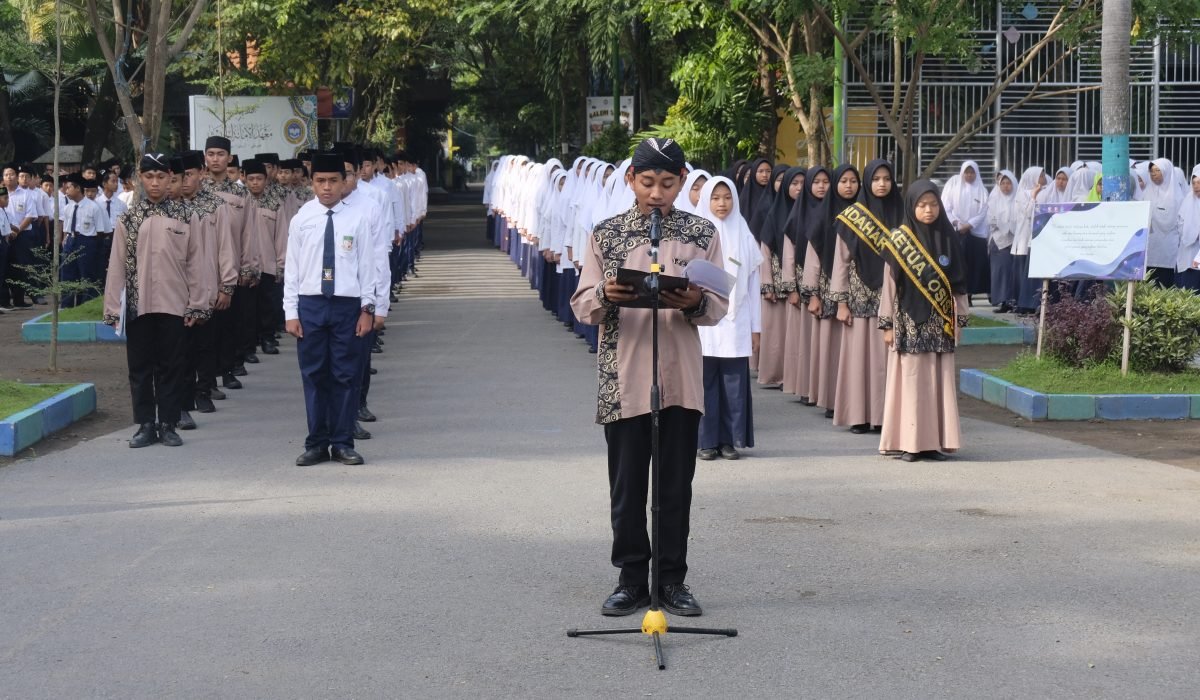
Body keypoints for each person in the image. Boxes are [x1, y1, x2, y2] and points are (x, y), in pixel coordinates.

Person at [570, 138, 728, 618]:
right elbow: (581, 304)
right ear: (630, 181)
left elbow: (719, 304)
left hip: (679, 378)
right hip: (624, 377)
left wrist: (695, 302)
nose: (657, 192)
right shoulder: (607, 233)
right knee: (628, 485)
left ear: (682, 182)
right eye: (647, 182)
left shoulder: (702, 233)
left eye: (667, 182)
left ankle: (672, 581)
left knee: (676, 486)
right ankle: (631, 579)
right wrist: (606, 291)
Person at [103, 153, 212, 448]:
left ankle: (168, 423)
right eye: (149, 177)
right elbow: (116, 265)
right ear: (140, 177)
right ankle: (145, 425)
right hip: (138, 306)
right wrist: (113, 308)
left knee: (172, 365)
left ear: (170, 179)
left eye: (161, 177)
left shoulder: (185, 217)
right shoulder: (129, 218)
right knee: (139, 367)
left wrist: (198, 303)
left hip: (174, 305)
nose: (155, 183)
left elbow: (196, 263)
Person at [283, 152, 377, 467]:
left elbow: (369, 268)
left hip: (346, 306)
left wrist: (368, 309)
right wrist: (291, 313)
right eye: (320, 181)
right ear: (312, 182)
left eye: (333, 181)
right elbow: (292, 271)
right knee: (313, 375)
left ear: (343, 182)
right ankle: (316, 443)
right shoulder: (301, 219)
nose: (326, 187)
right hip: (310, 305)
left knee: (345, 375)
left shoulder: (358, 219)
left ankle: (342, 442)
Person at [877, 181, 969, 462]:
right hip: (909, 320)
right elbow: (889, 286)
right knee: (912, 382)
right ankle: (909, 443)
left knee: (937, 383)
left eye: (933, 204)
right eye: (921, 205)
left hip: (940, 323)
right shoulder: (899, 241)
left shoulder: (949, 238)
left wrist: (961, 320)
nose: (928, 210)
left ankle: (933, 443)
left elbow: (959, 285)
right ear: (911, 206)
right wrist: (887, 324)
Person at [830, 159, 900, 434]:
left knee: (885, 361)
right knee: (858, 360)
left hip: (891, 299)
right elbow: (841, 262)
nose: (881, 183)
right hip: (859, 296)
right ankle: (858, 415)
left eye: (886, 178)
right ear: (868, 182)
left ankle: (885, 416)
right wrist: (842, 303)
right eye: (876, 179)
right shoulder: (852, 218)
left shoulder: (903, 214)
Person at [695, 176, 762, 460]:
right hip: (703, 320)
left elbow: (753, 285)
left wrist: (756, 328)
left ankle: (729, 440)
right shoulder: (696, 233)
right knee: (705, 381)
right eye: (715, 197)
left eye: (727, 197)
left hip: (736, 320)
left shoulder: (743, 233)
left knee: (733, 384)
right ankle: (705, 441)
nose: (722, 203)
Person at [803, 165, 860, 418]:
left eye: (853, 181)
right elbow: (813, 258)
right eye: (844, 181)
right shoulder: (823, 215)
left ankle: (852, 399)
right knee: (832, 349)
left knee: (853, 352)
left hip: (856, 293)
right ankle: (831, 400)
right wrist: (813, 294)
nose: (848, 185)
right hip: (827, 291)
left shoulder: (864, 214)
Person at [941, 161, 990, 303]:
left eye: (972, 172)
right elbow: (947, 207)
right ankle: (959, 293)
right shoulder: (954, 186)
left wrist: (969, 225)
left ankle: (970, 294)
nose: (969, 175)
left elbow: (983, 211)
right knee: (959, 263)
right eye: (967, 172)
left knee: (974, 265)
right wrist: (957, 223)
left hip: (975, 233)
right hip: (957, 232)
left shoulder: (982, 190)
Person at [58, 173, 107, 307]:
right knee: (67, 274)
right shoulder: (68, 207)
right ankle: (65, 306)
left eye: (69, 188)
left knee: (86, 275)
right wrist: (65, 240)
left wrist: (92, 246)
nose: (66, 191)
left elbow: (100, 231)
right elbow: (66, 228)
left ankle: (86, 305)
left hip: (87, 241)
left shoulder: (93, 207)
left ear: (78, 188)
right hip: (71, 240)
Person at [1142, 158, 1183, 287]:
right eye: (1152, 171)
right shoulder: (1146, 193)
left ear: (1166, 172)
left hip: (1168, 250)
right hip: (1149, 250)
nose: (1154, 174)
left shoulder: (1178, 197)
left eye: (1158, 170)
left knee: (1165, 285)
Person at [985, 170, 1019, 312]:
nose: (1006, 186)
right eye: (1003, 183)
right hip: (998, 241)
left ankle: (1013, 301)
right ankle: (1002, 301)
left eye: (1008, 183)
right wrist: (1004, 225)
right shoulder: (994, 199)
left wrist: (1010, 226)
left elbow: (1020, 218)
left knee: (1013, 272)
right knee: (1000, 272)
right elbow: (990, 219)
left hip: (1015, 240)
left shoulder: (1018, 199)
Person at [1176, 164, 1200, 291]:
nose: (1196, 186)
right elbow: (1180, 224)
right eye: (1194, 182)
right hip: (1190, 256)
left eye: (1199, 182)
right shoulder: (1188, 201)